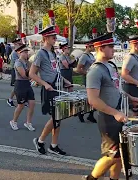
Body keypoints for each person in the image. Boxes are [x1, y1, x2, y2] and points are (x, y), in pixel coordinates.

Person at [83, 32, 138, 180]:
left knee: (120, 154)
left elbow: (117, 90)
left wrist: (130, 97)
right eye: (110, 47)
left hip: (118, 114)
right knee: (112, 155)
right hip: (108, 118)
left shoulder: (110, 66)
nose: (113, 49)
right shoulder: (95, 71)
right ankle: (91, 178)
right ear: (101, 48)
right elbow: (93, 100)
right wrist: (115, 113)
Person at [29, 26, 72, 155]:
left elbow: (55, 71)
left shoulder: (53, 53)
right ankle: (40, 141)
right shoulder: (41, 53)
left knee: (58, 118)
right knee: (55, 117)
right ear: (45, 38)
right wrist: (44, 84)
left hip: (57, 87)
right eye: (53, 37)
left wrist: (65, 81)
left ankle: (53, 145)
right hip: (49, 88)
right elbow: (32, 73)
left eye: (55, 37)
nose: (55, 39)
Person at [9, 44, 36, 131]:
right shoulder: (18, 62)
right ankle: (14, 121)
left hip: (27, 84)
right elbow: (24, 75)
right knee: (21, 105)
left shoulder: (27, 62)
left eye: (26, 52)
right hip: (20, 84)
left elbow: (32, 73)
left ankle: (28, 122)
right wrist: (31, 69)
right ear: (19, 53)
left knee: (32, 103)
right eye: (24, 52)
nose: (26, 53)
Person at [76, 41, 97, 123]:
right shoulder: (84, 56)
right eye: (93, 46)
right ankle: (81, 112)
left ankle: (90, 115)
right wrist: (88, 73)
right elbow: (78, 69)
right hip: (88, 78)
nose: (94, 48)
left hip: (93, 78)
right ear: (88, 47)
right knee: (91, 98)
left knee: (94, 97)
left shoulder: (91, 55)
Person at [7, 39, 23, 108]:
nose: (20, 45)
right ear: (15, 44)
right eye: (19, 44)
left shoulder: (18, 52)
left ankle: (22, 100)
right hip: (15, 70)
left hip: (19, 70)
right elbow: (18, 62)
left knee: (21, 86)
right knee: (16, 87)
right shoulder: (14, 53)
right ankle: (10, 99)